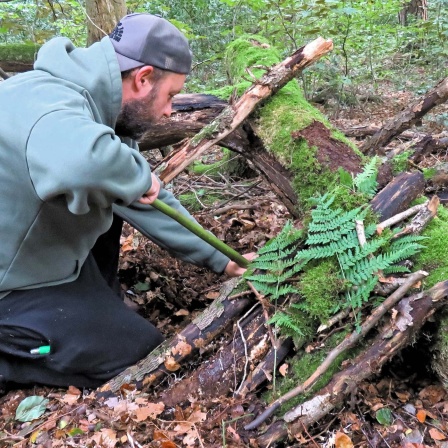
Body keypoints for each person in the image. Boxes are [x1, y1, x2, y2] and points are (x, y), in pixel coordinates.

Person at [0, 13, 251, 390]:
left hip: (36, 256)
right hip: (12, 284)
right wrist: (135, 174)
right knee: (138, 352)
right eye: (170, 95)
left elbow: (142, 198)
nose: (170, 110)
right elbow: (80, 164)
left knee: (112, 192)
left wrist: (224, 259)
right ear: (143, 77)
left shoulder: (101, 113)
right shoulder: (46, 102)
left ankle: (92, 304)